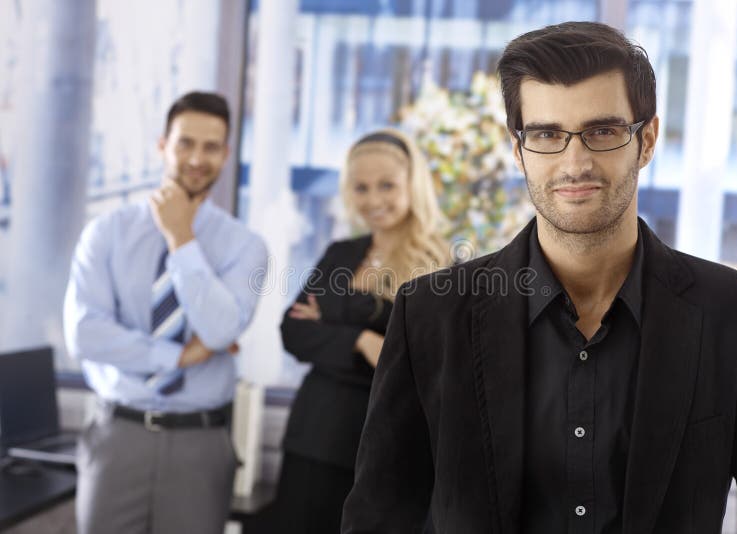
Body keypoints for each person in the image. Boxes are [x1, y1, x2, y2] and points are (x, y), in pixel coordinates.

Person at [342, 22, 737, 533]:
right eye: (546, 134)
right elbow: (377, 519)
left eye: (602, 131)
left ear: (646, 140)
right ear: (518, 150)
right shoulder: (430, 313)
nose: (574, 161)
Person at [63, 91, 268, 534]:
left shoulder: (245, 247)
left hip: (200, 441)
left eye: (211, 147)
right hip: (119, 434)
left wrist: (181, 240)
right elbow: (85, 333)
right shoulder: (106, 233)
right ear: (162, 145)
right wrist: (174, 357)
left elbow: (218, 330)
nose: (197, 158)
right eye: (185, 143)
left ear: (227, 154)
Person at [268, 129, 450, 533]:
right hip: (313, 436)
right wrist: (362, 340)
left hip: (384, 446)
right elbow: (292, 333)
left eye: (387, 185)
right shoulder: (341, 255)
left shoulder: (438, 264)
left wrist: (329, 331)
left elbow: (426, 363)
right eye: (361, 188)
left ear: (412, 186)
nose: (373, 200)